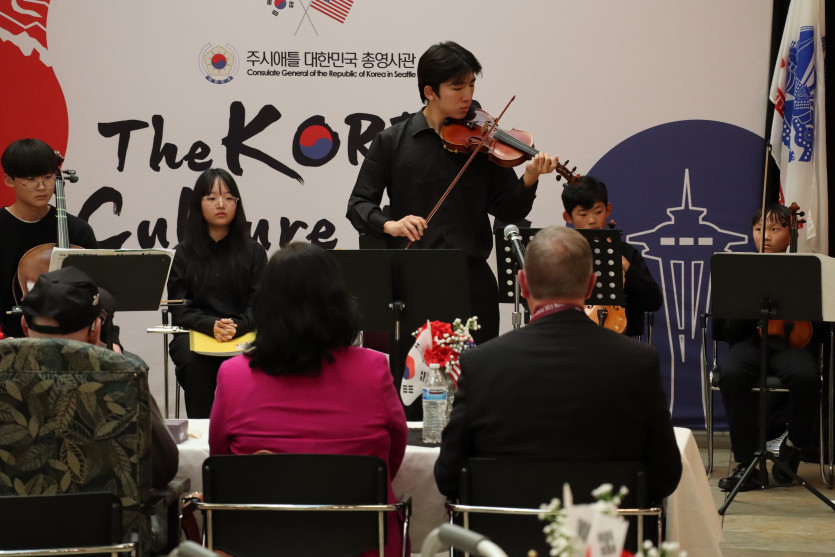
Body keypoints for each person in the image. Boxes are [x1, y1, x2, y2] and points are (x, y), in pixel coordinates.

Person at [434, 226, 681, 504]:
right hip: (608, 529)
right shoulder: (639, 363)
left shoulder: (479, 364)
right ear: (591, 285)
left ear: (523, 284)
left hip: (505, 528)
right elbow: (666, 476)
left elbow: (448, 477)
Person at [346, 40, 559, 347]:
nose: (468, 96)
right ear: (430, 92)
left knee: (477, 371)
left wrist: (529, 178)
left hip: (471, 280)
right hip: (413, 281)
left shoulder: (482, 139)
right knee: (415, 373)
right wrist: (390, 225)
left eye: (471, 84)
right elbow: (358, 203)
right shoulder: (392, 141)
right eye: (457, 87)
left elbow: (509, 210)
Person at [209, 242, 408, 557]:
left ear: (265, 306)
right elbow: (391, 457)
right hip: (366, 544)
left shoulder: (232, 375)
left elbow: (224, 467)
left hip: (262, 545)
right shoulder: (374, 368)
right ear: (338, 303)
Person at [19, 266, 178, 489]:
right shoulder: (123, 376)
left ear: (24, 326)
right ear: (95, 331)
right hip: (105, 511)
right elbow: (163, 468)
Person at [717, 203, 820, 492]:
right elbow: (727, 331)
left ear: (791, 233)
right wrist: (746, 305)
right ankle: (747, 463)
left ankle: (794, 445)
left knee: (807, 377)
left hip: (792, 343)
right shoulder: (738, 270)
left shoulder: (808, 269)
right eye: (759, 229)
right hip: (750, 342)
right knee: (732, 373)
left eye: (775, 229)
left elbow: (822, 327)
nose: (765, 235)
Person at [0, 139, 121, 346]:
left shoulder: (78, 231)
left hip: (78, 341)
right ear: (8, 180)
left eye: (48, 177)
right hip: (12, 340)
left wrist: (111, 342)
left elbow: (98, 297)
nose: (42, 187)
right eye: (31, 179)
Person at [167, 168, 267, 418]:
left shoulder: (254, 252)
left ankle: (248, 433)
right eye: (211, 197)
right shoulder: (182, 253)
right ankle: (202, 434)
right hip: (195, 332)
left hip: (243, 331)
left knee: (257, 360)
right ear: (198, 204)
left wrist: (236, 326)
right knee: (195, 364)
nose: (221, 204)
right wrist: (210, 325)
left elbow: (260, 305)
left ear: (237, 204)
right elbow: (179, 310)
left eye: (229, 197)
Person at [561, 175, 663, 337]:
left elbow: (653, 302)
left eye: (598, 212)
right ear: (568, 217)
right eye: (583, 214)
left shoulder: (626, 252)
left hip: (621, 340)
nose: (592, 220)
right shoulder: (561, 254)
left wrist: (626, 266)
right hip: (572, 337)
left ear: (608, 210)